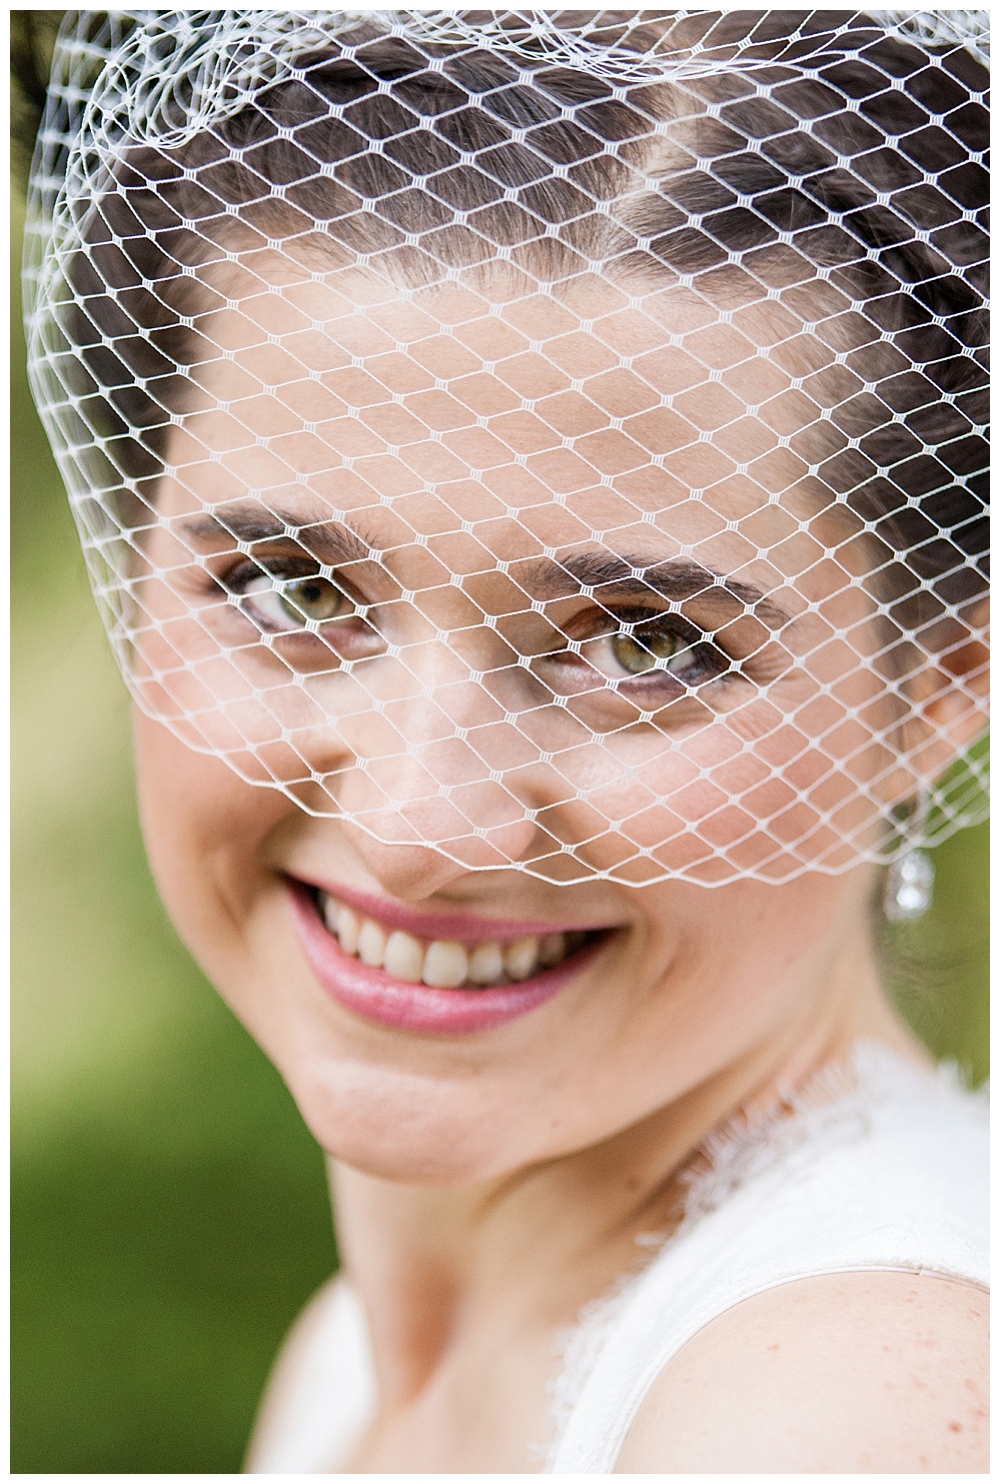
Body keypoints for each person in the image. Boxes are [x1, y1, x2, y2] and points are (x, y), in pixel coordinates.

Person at [26, 10, 988, 1472]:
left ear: (941, 687)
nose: (421, 823)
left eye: (645, 646)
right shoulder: (357, 1357)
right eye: (294, 591)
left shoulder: (852, 1406)